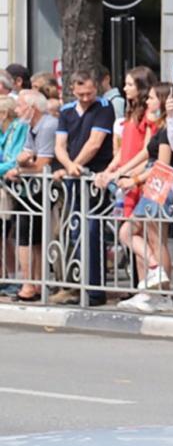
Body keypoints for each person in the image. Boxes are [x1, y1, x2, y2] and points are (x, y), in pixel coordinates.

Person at [49, 70, 114, 306]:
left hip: (94, 177)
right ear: (73, 90)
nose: (86, 98)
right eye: (81, 94)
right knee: (72, 231)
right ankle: (75, 285)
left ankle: (95, 290)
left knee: (92, 230)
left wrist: (75, 165)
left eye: (90, 93)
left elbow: (95, 143)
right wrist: (68, 166)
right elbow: (59, 144)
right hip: (73, 178)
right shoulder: (67, 111)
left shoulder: (104, 107)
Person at [115, 82, 173, 313]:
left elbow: (161, 164)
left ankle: (163, 292)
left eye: (152, 98)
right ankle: (149, 287)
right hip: (152, 184)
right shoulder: (158, 126)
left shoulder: (168, 129)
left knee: (153, 237)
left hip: (160, 184)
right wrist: (120, 171)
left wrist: (134, 179)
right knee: (134, 232)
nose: (148, 101)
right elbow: (144, 153)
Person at [7, 90, 56, 302]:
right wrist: (22, 164)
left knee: (27, 238)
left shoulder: (47, 126)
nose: (16, 110)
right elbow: (24, 156)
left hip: (42, 189)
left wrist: (20, 170)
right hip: (31, 188)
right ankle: (35, 283)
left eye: (19, 106)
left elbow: (42, 164)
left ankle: (29, 284)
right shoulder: (30, 126)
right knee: (30, 237)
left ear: (32, 108)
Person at [94, 66, 156, 223]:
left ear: (141, 87)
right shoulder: (131, 111)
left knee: (137, 232)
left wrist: (123, 172)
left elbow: (147, 151)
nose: (124, 88)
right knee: (126, 230)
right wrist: (109, 171)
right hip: (126, 176)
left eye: (129, 85)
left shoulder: (149, 113)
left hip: (138, 177)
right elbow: (123, 148)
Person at [0, 95, 29, 296]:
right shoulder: (7, 131)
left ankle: (13, 277)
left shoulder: (18, 128)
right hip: (7, 183)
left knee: (7, 234)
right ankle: (9, 277)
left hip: (13, 188)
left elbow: (14, 159)